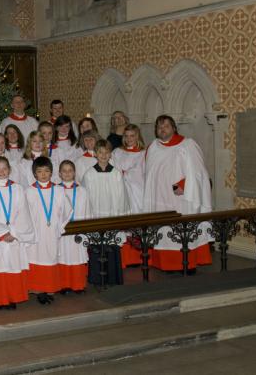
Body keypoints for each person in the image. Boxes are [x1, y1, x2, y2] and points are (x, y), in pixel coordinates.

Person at [144, 115, 213, 272]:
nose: (162, 129)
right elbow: (147, 174)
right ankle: (165, 264)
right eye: (159, 127)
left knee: (182, 232)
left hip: (181, 199)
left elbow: (199, 172)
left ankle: (187, 263)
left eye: (166, 126)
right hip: (159, 200)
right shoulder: (152, 147)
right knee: (164, 232)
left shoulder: (187, 144)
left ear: (174, 128)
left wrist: (183, 185)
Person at [0, 157, 35, 309]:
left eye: (4, 168)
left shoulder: (18, 188)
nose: (1, 172)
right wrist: (0, 233)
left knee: (13, 266)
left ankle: (12, 297)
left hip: (14, 236)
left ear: (10, 170)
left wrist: (13, 232)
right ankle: (1, 299)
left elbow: (24, 212)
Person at [24, 156, 72, 305]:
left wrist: (59, 226)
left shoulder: (58, 190)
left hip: (51, 232)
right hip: (36, 232)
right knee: (36, 258)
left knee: (50, 259)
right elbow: (24, 213)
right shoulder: (29, 191)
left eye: (46, 171)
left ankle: (48, 288)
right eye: (39, 171)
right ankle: (38, 290)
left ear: (51, 173)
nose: (43, 174)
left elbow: (67, 210)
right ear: (34, 174)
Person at [83, 140, 134, 275]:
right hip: (96, 216)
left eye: (106, 152)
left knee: (112, 245)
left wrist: (120, 217)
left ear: (110, 154)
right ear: (95, 154)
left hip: (113, 215)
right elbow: (86, 198)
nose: (103, 155)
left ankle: (113, 275)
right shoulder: (89, 174)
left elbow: (122, 197)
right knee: (97, 246)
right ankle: (97, 277)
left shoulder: (116, 173)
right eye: (100, 152)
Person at [56, 160, 90, 292]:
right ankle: (63, 285)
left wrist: (86, 230)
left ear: (74, 173)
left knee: (77, 256)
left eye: (70, 170)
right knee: (63, 256)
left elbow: (87, 210)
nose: (67, 173)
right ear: (59, 173)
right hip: (62, 231)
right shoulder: (57, 190)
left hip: (78, 230)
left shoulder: (82, 191)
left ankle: (78, 285)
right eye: (64, 171)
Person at [111, 124, 146, 214]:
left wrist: (128, 173)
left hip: (137, 189)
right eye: (126, 136)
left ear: (137, 136)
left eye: (132, 136)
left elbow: (145, 172)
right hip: (120, 187)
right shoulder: (117, 152)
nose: (129, 139)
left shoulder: (143, 153)